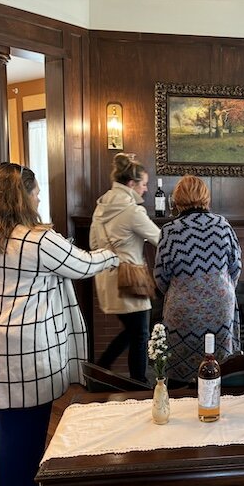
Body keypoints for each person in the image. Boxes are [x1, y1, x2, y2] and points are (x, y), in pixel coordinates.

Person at [0, 162, 119, 486]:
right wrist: (112, 254)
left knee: (3, 426)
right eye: (35, 194)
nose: (38, 200)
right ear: (23, 197)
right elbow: (83, 265)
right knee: (25, 436)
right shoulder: (38, 240)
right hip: (27, 345)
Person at [154, 175, 242, 386]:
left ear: (177, 199)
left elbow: (160, 276)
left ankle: (178, 403)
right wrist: (218, 287)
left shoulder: (170, 231)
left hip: (183, 310)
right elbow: (236, 266)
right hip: (220, 306)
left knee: (178, 370)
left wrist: (183, 290)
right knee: (221, 367)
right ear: (205, 197)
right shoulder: (223, 225)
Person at [89, 153, 160, 383]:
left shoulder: (101, 208)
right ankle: (138, 383)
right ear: (131, 184)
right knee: (140, 334)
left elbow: (93, 245)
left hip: (107, 280)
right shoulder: (132, 211)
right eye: (144, 184)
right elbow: (160, 239)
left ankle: (100, 372)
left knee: (132, 332)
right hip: (130, 281)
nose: (146, 189)